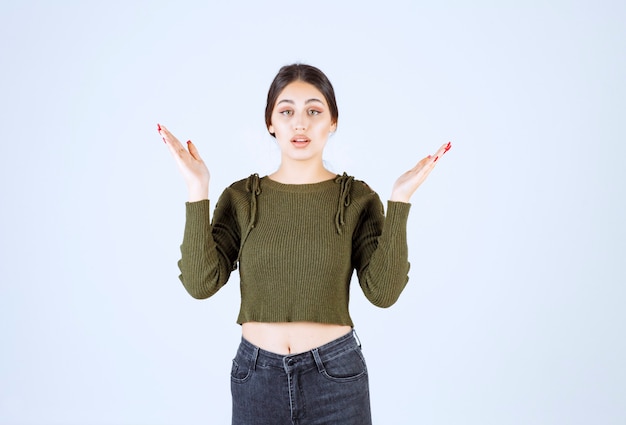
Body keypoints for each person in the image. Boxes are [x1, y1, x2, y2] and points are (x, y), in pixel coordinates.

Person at [159, 63, 451, 425]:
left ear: (332, 122)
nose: (300, 123)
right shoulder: (241, 198)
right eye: (287, 111)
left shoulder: (355, 198)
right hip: (256, 377)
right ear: (271, 122)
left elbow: (383, 293)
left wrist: (400, 199)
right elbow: (200, 284)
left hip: (336, 378)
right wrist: (197, 188)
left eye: (314, 111)